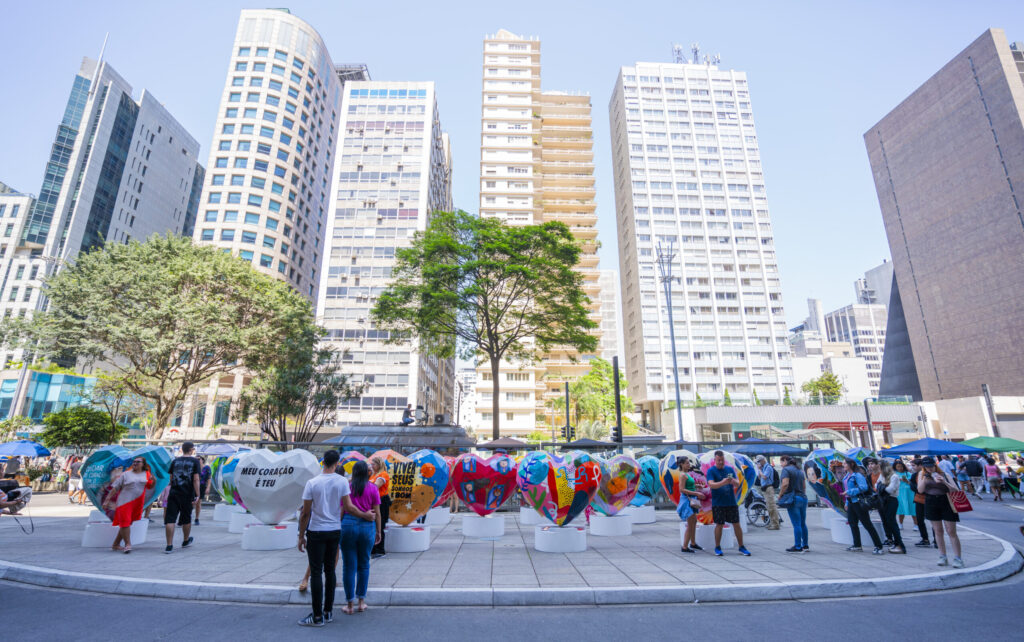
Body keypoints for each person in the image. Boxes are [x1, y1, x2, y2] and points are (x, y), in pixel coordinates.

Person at [297, 450, 371, 627]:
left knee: (316, 572)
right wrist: (365, 515)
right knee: (330, 571)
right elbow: (349, 507)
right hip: (334, 530)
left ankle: (316, 616)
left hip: (316, 531)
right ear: (337, 463)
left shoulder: (312, 483)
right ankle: (328, 612)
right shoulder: (342, 482)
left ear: (323, 462)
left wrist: (301, 535)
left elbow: (305, 512)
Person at [340, 460, 382, 615]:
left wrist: (339, 526)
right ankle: (361, 602)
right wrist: (378, 531)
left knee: (348, 566)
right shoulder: (372, 488)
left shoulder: (347, 487)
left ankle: (349, 604)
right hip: (367, 526)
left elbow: (343, 509)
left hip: (348, 525)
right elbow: (377, 513)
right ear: (366, 472)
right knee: (364, 564)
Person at [917, 456, 963, 567]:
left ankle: (958, 558)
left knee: (951, 530)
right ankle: (942, 556)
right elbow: (920, 490)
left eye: (931, 466)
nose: (929, 469)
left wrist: (944, 482)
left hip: (946, 501)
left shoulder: (944, 474)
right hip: (931, 501)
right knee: (938, 530)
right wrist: (925, 479)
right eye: (927, 467)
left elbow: (956, 490)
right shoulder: (922, 475)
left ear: (935, 465)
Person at [704, 451, 750, 556]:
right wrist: (723, 482)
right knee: (719, 524)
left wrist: (733, 481)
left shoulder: (729, 469)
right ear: (714, 460)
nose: (721, 462)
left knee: (736, 524)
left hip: (731, 502)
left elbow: (737, 483)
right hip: (718, 503)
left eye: (722, 460)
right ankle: (717, 547)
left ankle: (741, 546)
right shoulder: (711, 471)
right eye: (719, 460)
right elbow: (711, 485)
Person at [104, 457, 154, 553]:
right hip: (124, 502)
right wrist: (107, 500)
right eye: (134, 462)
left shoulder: (147, 474)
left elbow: (149, 486)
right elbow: (115, 488)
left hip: (137, 503)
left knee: (126, 524)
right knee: (125, 522)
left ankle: (115, 544)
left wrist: (154, 480)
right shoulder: (126, 474)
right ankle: (128, 544)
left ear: (143, 464)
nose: (135, 463)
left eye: (138, 462)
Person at [164, 442, 201, 554]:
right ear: (191, 449)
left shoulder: (175, 461)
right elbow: (196, 479)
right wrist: (198, 494)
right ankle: (185, 540)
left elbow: (171, 477)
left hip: (174, 492)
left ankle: (169, 545)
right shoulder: (195, 461)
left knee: (170, 519)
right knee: (186, 518)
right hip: (187, 493)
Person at [842, 458, 885, 554]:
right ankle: (857, 545)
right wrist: (847, 503)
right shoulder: (847, 476)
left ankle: (878, 545)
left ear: (851, 464)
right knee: (853, 524)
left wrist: (849, 492)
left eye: (845, 463)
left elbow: (864, 487)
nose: (843, 465)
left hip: (859, 502)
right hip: (851, 502)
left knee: (867, 524)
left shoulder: (857, 475)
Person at [778, 455, 808, 553]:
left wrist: (780, 494)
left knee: (796, 524)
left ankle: (798, 546)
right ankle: (805, 545)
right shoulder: (799, 471)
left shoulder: (786, 470)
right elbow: (804, 486)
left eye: (781, 462)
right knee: (803, 523)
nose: (781, 464)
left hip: (793, 499)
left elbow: (785, 484)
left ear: (786, 461)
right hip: (802, 498)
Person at [676, 456, 705, 553]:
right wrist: (696, 493)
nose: (689, 465)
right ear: (682, 464)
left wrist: (696, 486)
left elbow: (688, 486)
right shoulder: (683, 475)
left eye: (689, 463)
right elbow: (681, 489)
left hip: (691, 499)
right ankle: (685, 546)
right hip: (687, 500)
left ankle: (692, 543)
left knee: (693, 521)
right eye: (687, 463)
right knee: (690, 523)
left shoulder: (686, 474)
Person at [876, 460, 906, 554]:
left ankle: (900, 544)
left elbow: (890, 490)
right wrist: (882, 487)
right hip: (883, 501)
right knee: (887, 521)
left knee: (892, 522)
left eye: (879, 468)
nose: (879, 470)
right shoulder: (882, 476)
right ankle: (894, 542)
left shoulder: (894, 476)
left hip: (891, 500)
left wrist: (882, 487)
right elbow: (876, 485)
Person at [369, 456, 391, 558]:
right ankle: (373, 549)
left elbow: (375, 486)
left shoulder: (383, 475)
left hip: (382, 502)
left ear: (379, 465)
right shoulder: (373, 475)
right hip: (373, 501)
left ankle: (380, 550)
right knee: (373, 525)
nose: (371, 466)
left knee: (380, 525)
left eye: (373, 464)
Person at [909, 459, 932, 547]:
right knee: (919, 520)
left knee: (933, 520)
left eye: (914, 465)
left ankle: (937, 540)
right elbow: (913, 487)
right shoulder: (914, 475)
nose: (912, 467)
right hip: (919, 499)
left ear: (920, 465)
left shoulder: (930, 475)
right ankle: (925, 539)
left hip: (930, 499)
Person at [755, 455, 780, 530]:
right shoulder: (763, 468)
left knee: (772, 506)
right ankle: (771, 523)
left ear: (763, 460)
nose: (759, 463)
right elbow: (760, 478)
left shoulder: (768, 467)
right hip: (765, 488)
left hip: (769, 488)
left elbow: (765, 477)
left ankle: (776, 524)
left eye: (759, 461)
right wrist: (759, 470)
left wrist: (760, 470)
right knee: (769, 507)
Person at [894, 460, 917, 528]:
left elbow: (912, 484)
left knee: (913, 509)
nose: (900, 468)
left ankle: (916, 524)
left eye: (901, 466)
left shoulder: (908, 474)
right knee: (901, 509)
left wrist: (906, 481)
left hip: (909, 493)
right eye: (898, 467)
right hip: (899, 493)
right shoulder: (894, 474)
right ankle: (900, 524)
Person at [194, 456, 211, 525]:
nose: (197, 460)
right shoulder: (193, 467)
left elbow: (209, 479)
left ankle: (197, 518)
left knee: (198, 503)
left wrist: (208, 487)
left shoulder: (206, 468)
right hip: (193, 486)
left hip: (201, 486)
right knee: (190, 503)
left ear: (202, 460)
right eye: (196, 459)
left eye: (198, 459)